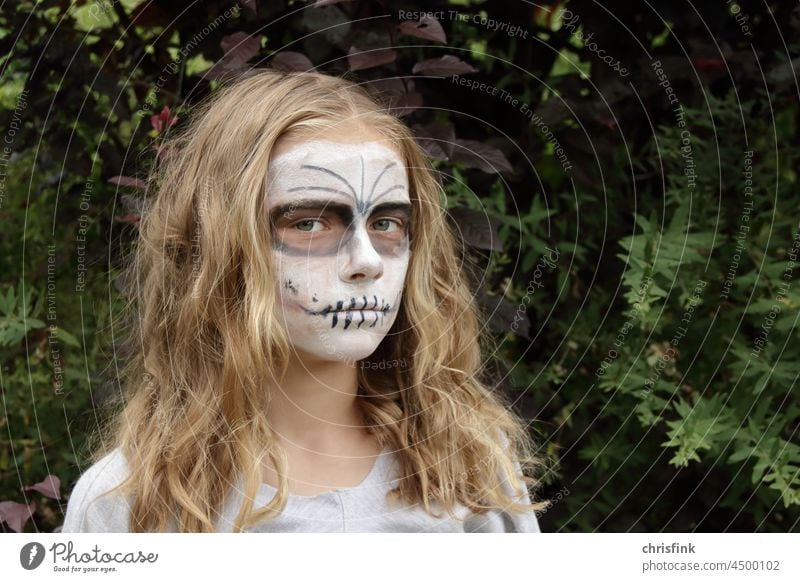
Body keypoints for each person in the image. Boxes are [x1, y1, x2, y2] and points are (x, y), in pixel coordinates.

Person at [61, 69, 549, 533]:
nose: (367, 261)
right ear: (220, 247)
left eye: (386, 223)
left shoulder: (470, 470)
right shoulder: (130, 504)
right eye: (309, 223)